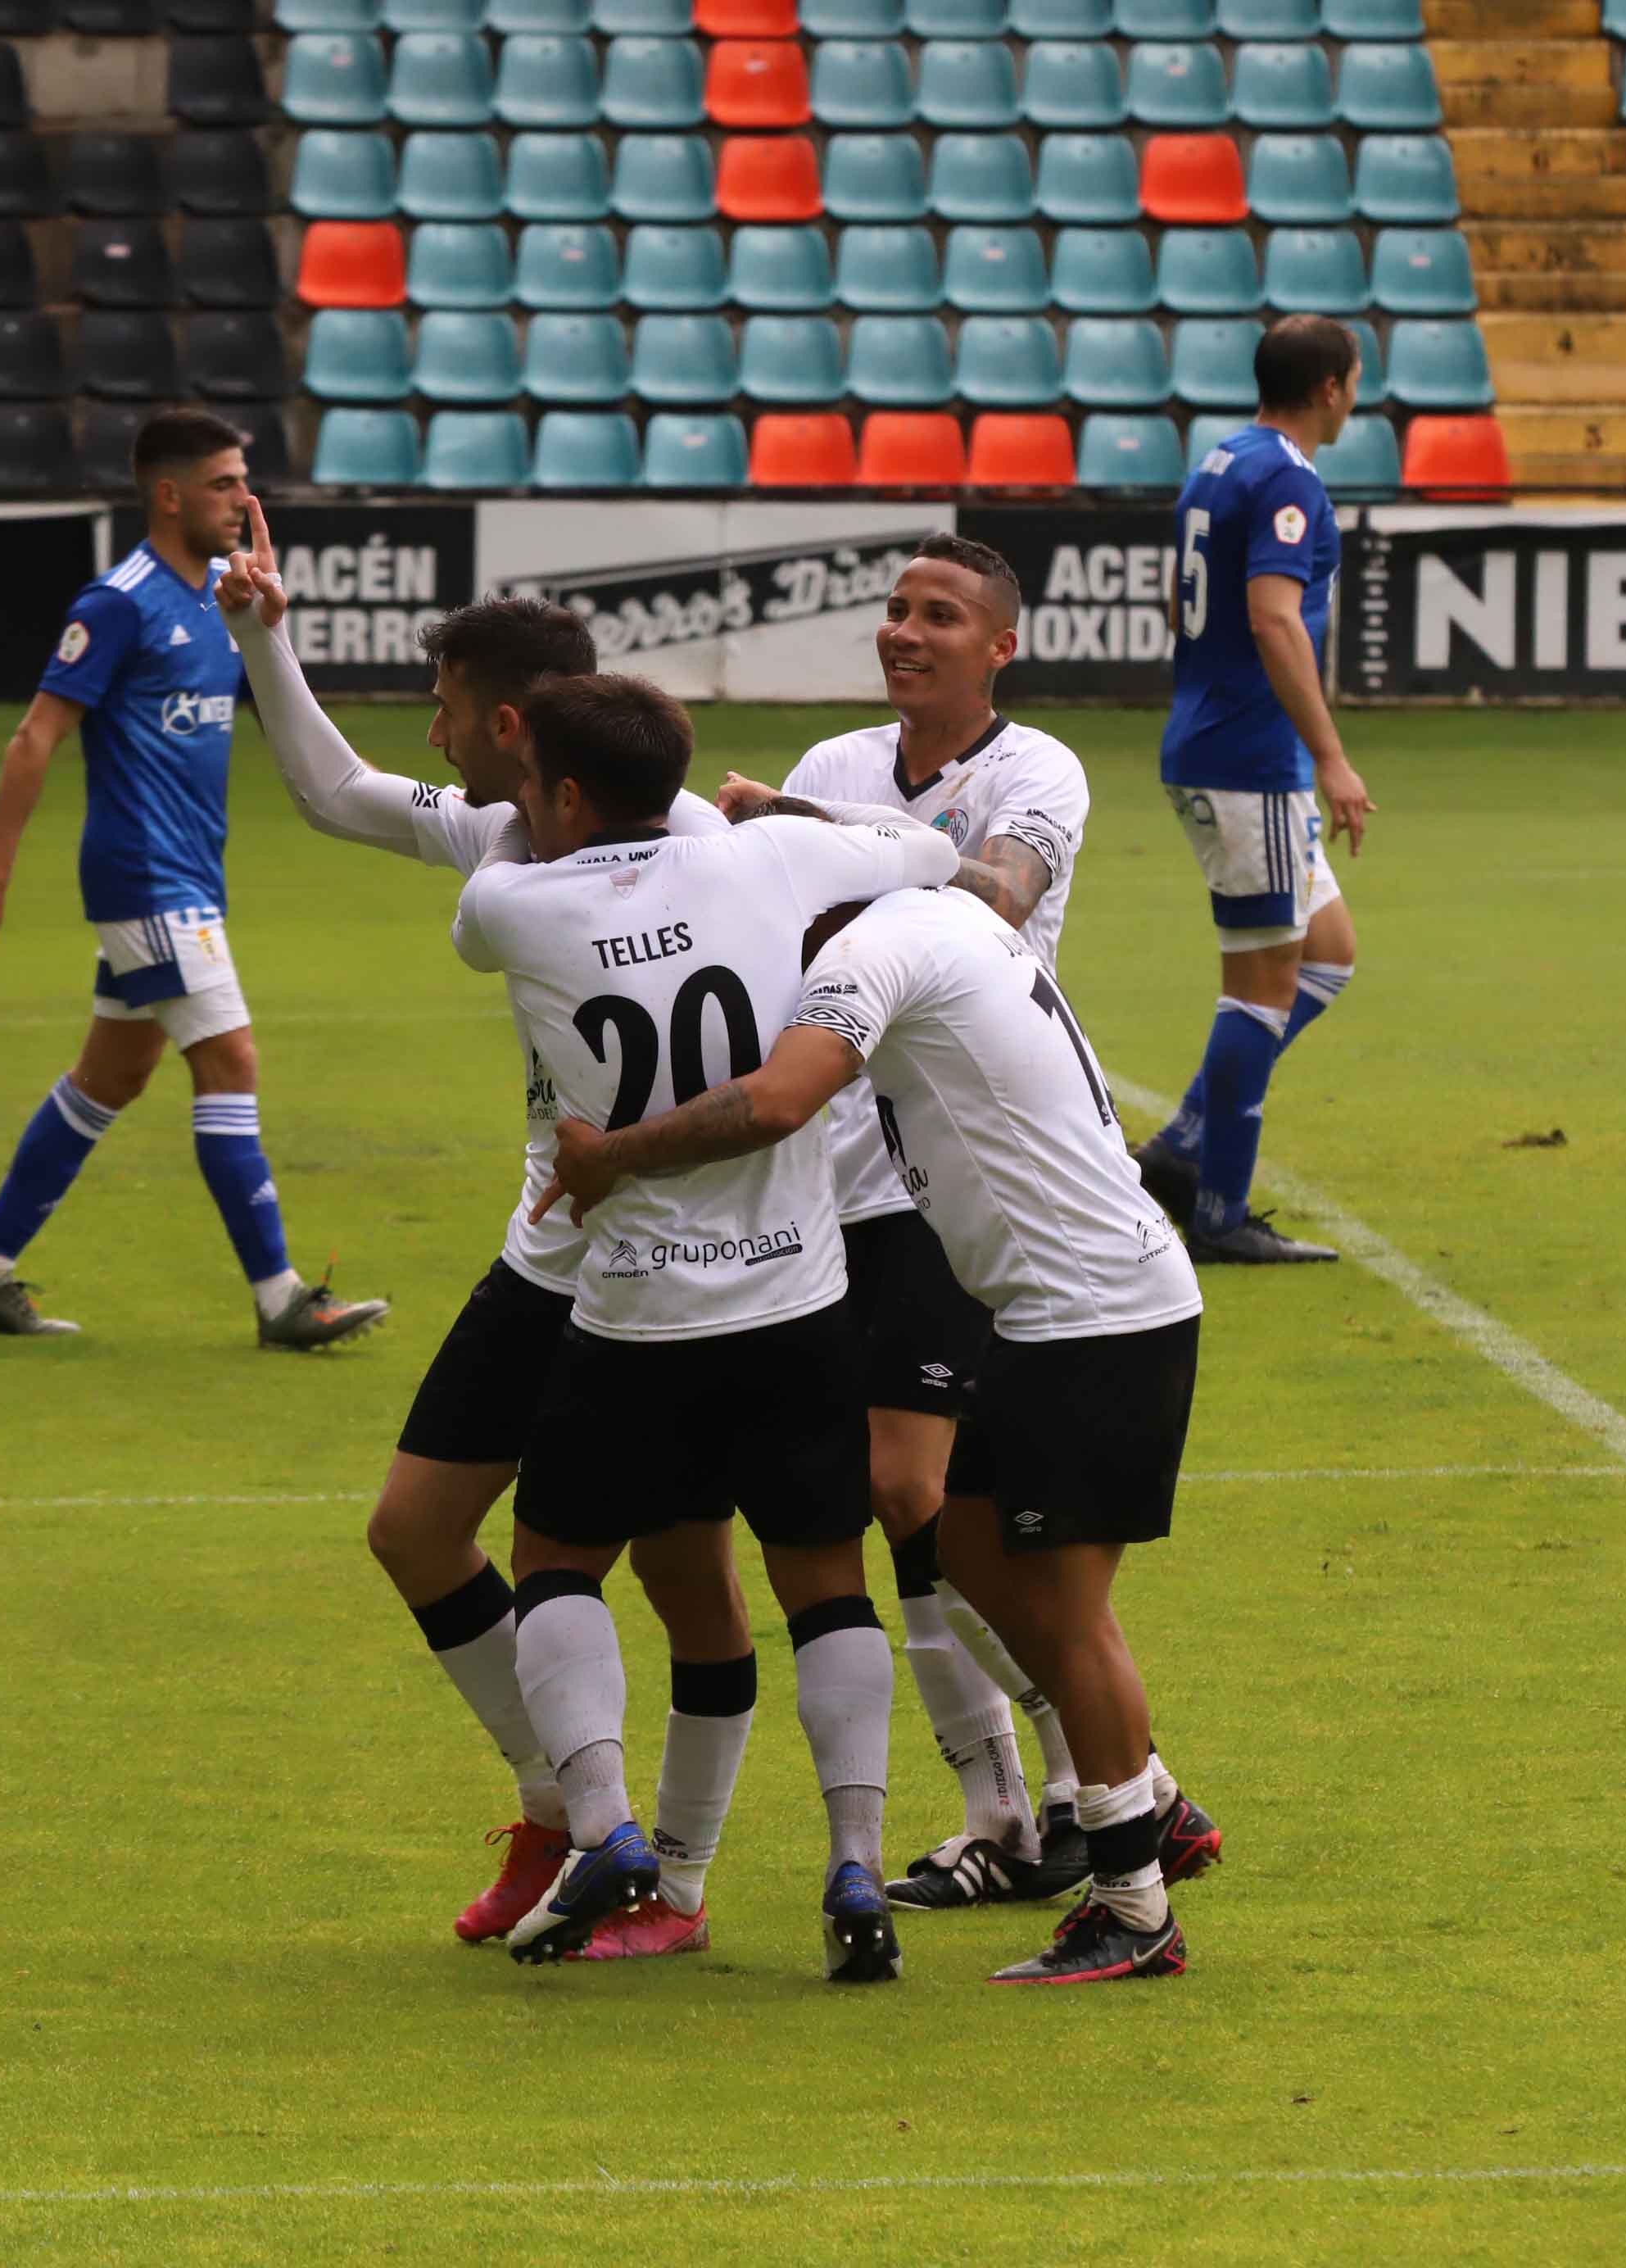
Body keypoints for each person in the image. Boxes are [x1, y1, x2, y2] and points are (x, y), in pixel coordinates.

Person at [211, 506, 745, 1962]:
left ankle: (679, 1874)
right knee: (416, 1526)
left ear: (509, 720)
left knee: (691, 1568)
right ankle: (561, 1806)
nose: (428, 731)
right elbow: (335, 793)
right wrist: (265, 631)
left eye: (443, 705)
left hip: (691, 1266)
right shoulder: (504, 827)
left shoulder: (698, 840)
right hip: (547, 1250)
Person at [541, 873, 1216, 1984]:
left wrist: (610, 1157)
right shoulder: (942, 917)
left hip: (1089, 1316)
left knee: (1072, 1616)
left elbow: (776, 1101)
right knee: (961, 1541)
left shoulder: (867, 949)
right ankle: (1154, 1803)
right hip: (1062, 1307)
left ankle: (1134, 1903)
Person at [450, 674, 965, 1980]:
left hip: (631, 1314)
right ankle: (855, 1865)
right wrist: (739, 811)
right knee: (823, 1581)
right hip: (798, 1298)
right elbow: (934, 852)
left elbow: (509, 843)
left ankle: (611, 1827)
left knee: (557, 1558)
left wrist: (563, 804)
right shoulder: (774, 856)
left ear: (564, 793)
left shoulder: (509, 904)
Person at [717, 533, 1103, 1911]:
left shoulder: (1034, 770)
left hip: (960, 1176)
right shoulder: (831, 765)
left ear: (1000, 643)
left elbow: (993, 892)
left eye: (940, 614)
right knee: (893, 1509)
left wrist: (813, 835)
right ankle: (1023, 1805)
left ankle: (1105, 1782)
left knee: (910, 1493)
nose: (906, 630)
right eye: (894, 608)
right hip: (830, 1183)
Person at [0, 411, 385, 1351]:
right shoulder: (118, 603)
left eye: (244, 480)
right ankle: (280, 1296)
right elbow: (35, 737)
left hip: (188, 875)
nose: (242, 499)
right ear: (169, 494)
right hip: (145, 877)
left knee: (109, 1077)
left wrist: (267, 626)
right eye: (224, 484)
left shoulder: (221, 601)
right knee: (230, 1060)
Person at [1135, 314, 1379, 1265]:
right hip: (1249, 759)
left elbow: (1179, 599)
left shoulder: (1222, 461)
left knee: (1326, 955)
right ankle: (1218, 1211)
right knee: (1261, 984)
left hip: (1211, 738)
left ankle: (1183, 1142)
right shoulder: (1287, 478)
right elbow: (1275, 617)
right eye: (1354, 377)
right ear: (1330, 387)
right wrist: (1330, 756)